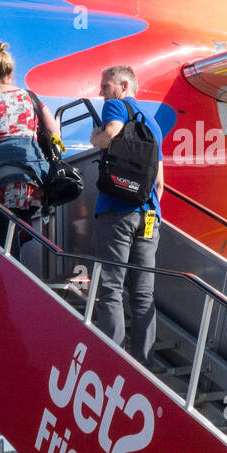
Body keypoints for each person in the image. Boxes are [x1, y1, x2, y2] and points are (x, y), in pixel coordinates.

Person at [89, 65, 164, 369]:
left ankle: (115, 360)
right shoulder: (154, 124)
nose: (101, 92)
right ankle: (144, 362)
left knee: (111, 287)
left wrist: (96, 137)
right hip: (150, 216)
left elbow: (111, 135)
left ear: (122, 85)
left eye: (105, 85)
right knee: (144, 292)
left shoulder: (116, 105)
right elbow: (160, 182)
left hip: (117, 210)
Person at [0, 41, 60, 257]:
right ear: (10, 72)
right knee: (15, 229)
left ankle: (12, 277)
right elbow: (55, 133)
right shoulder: (30, 97)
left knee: (3, 240)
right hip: (32, 180)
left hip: (0, 182)